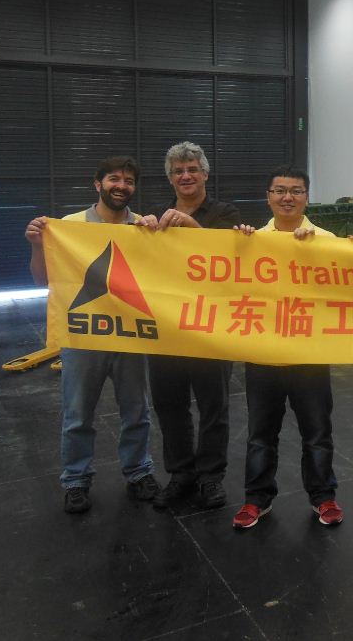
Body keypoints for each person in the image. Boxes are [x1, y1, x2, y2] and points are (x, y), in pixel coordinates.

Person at [24, 156, 160, 514]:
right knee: (78, 414)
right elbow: (42, 280)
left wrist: (159, 236)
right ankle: (76, 480)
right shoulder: (70, 227)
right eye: (114, 179)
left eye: (129, 180)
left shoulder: (143, 227)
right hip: (83, 337)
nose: (121, 186)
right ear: (97, 184)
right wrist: (37, 244)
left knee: (137, 411)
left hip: (130, 335)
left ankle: (139, 471)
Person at [229, 166, 344, 530]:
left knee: (317, 432)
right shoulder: (251, 240)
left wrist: (317, 252)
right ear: (268, 197)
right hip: (264, 353)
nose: (287, 197)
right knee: (260, 434)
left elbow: (344, 289)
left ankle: (323, 496)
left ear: (307, 198)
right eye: (279, 190)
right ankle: (256, 499)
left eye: (295, 191)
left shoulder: (326, 240)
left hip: (310, 354)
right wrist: (238, 245)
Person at [135, 141, 240, 511]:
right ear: (170, 178)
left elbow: (229, 258)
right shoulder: (155, 216)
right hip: (167, 328)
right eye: (178, 171)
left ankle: (211, 477)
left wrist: (191, 225)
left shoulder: (226, 213)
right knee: (169, 405)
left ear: (205, 174)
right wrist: (142, 230)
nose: (186, 176)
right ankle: (181, 474)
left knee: (214, 406)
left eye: (192, 169)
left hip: (211, 327)